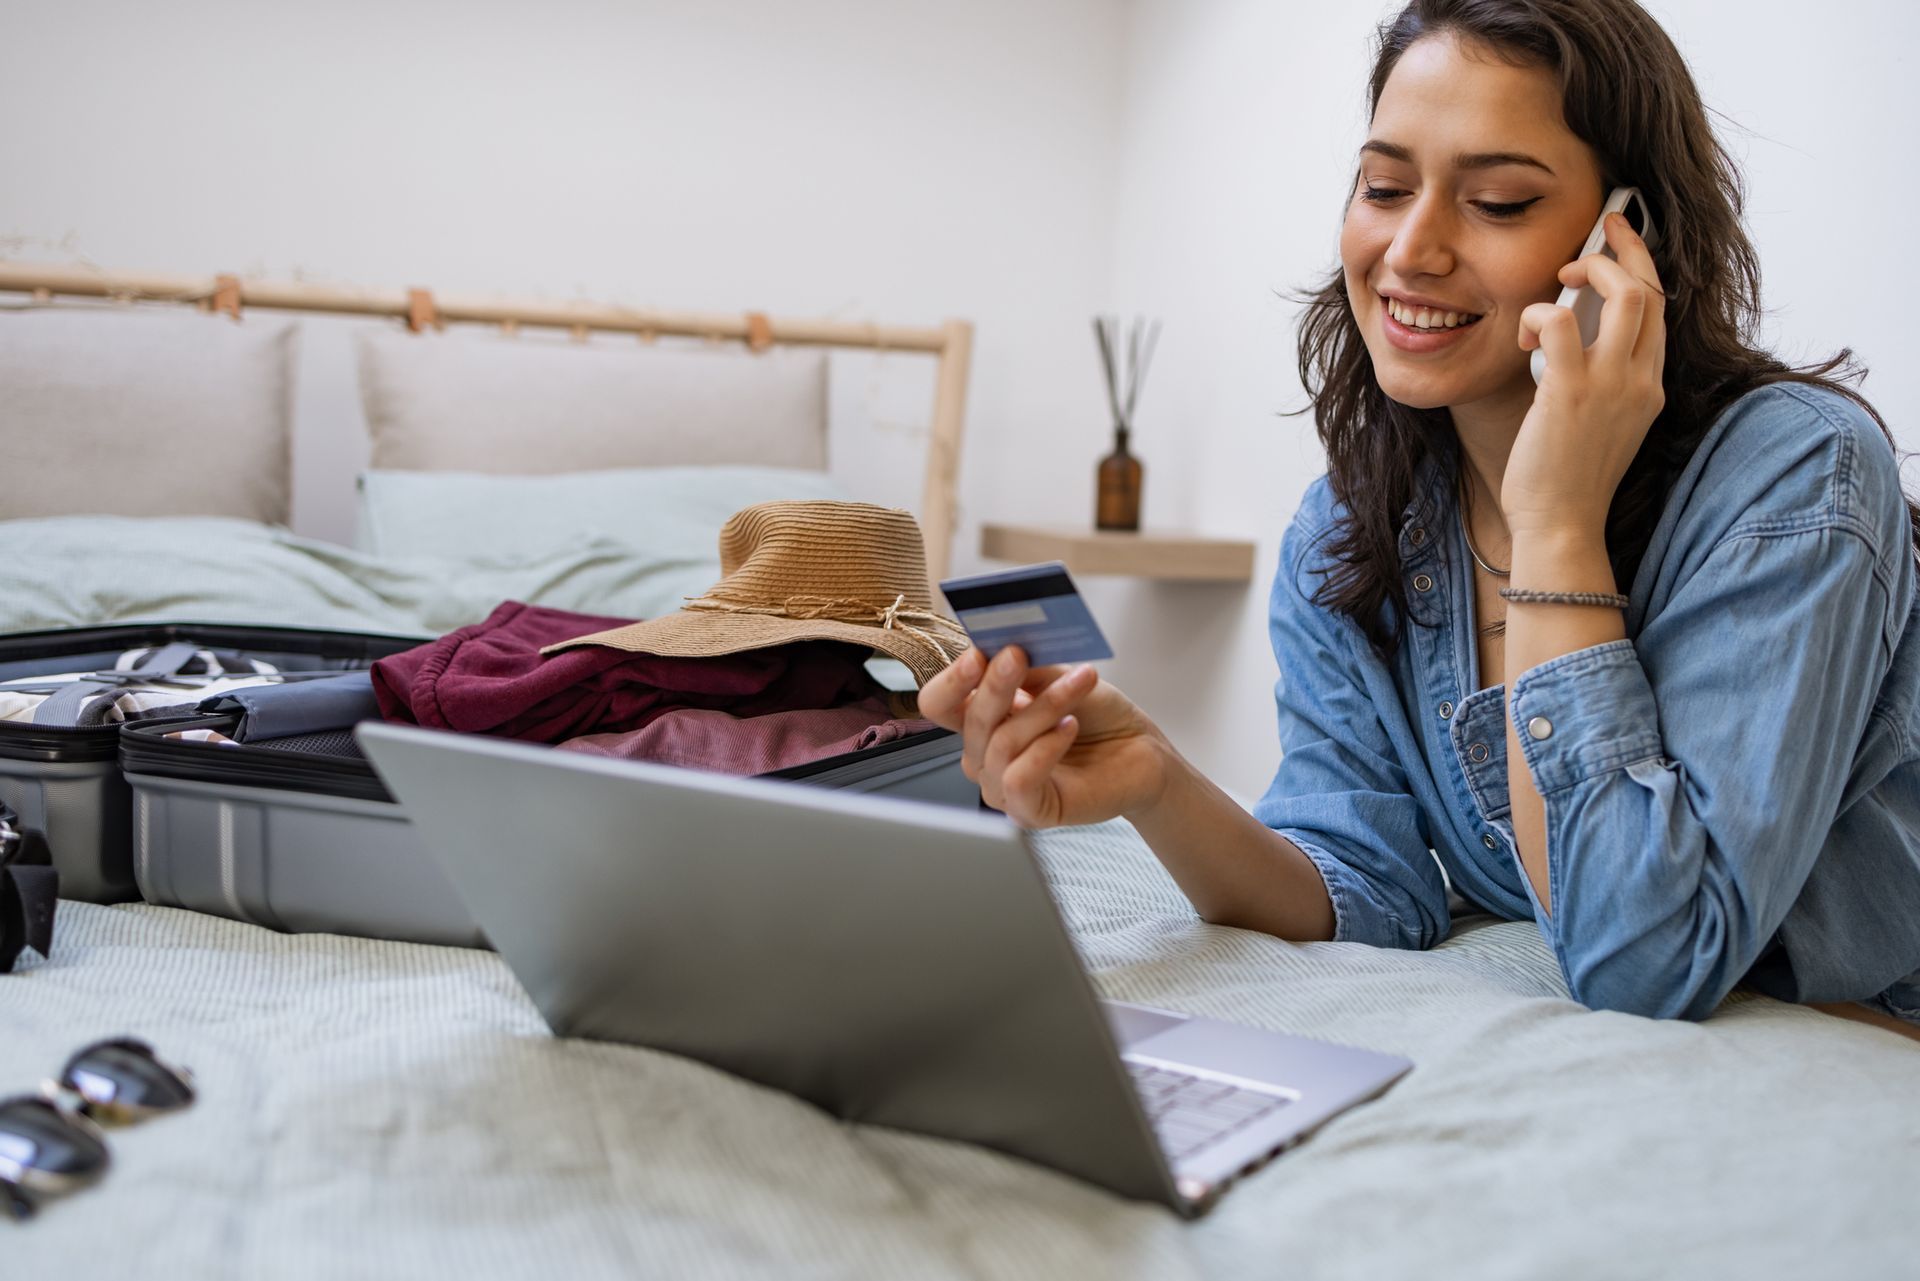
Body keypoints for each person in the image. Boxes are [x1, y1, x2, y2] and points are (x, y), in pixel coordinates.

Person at [919, 0, 1920, 1041]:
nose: (1410, 248)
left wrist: (1558, 525)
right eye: (1384, 187)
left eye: (1495, 201)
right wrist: (1156, 784)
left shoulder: (1794, 477)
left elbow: (1647, 960)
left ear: (1629, 240)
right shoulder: (1350, 529)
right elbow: (1365, 884)